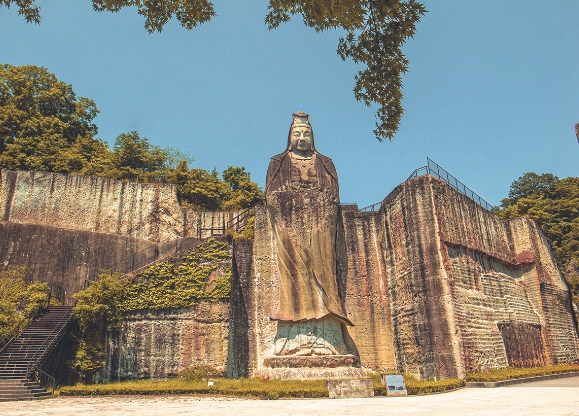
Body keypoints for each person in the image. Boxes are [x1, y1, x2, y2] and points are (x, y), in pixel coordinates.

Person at [265, 112, 352, 356]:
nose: (302, 138)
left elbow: (333, 197)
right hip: (290, 225)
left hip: (320, 227)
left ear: (312, 137)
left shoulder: (325, 162)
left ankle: (329, 335)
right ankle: (292, 336)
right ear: (290, 137)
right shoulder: (278, 162)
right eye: (297, 134)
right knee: (293, 276)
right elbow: (271, 196)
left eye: (306, 134)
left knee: (325, 274)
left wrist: (317, 203)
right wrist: (293, 201)